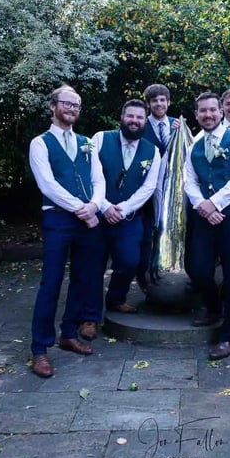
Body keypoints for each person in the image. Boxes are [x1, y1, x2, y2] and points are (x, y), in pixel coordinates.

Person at [28, 85, 106, 378]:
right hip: (59, 220)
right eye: (67, 103)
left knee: (83, 279)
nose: (72, 109)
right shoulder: (40, 143)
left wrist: (95, 205)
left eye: (77, 105)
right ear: (53, 106)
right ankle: (40, 349)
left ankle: (69, 333)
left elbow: (98, 179)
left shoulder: (87, 143)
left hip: (87, 220)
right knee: (51, 282)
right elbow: (47, 185)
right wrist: (81, 208)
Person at [184, 92, 230, 360]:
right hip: (205, 215)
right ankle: (214, 308)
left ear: (221, 112)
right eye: (203, 111)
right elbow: (189, 180)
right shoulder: (195, 143)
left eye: (212, 110)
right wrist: (203, 205)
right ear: (196, 115)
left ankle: (229, 336)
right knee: (197, 268)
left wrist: (215, 203)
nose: (208, 115)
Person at [92, 99, 161, 313]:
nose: (134, 120)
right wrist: (105, 206)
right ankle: (89, 316)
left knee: (130, 262)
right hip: (97, 215)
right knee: (93, 266)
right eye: (130, 116)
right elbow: (89, 176)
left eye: (140, 117)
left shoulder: (152, 151)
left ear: (145, 121)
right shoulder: (100, 139)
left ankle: (115, 300)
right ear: (122, 117)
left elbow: (149, 187)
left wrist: (123, 209)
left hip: (129, 218)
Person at [137, 84, 181, 289]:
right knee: (146, 238)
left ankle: (166, 271)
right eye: (154, 100)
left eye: (162, 100)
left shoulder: (178, 125)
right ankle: (144, 280)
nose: (159, 103)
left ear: (168, 102)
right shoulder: (140, 125)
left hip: (172, 191)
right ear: (148, 104)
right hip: (146, 191)